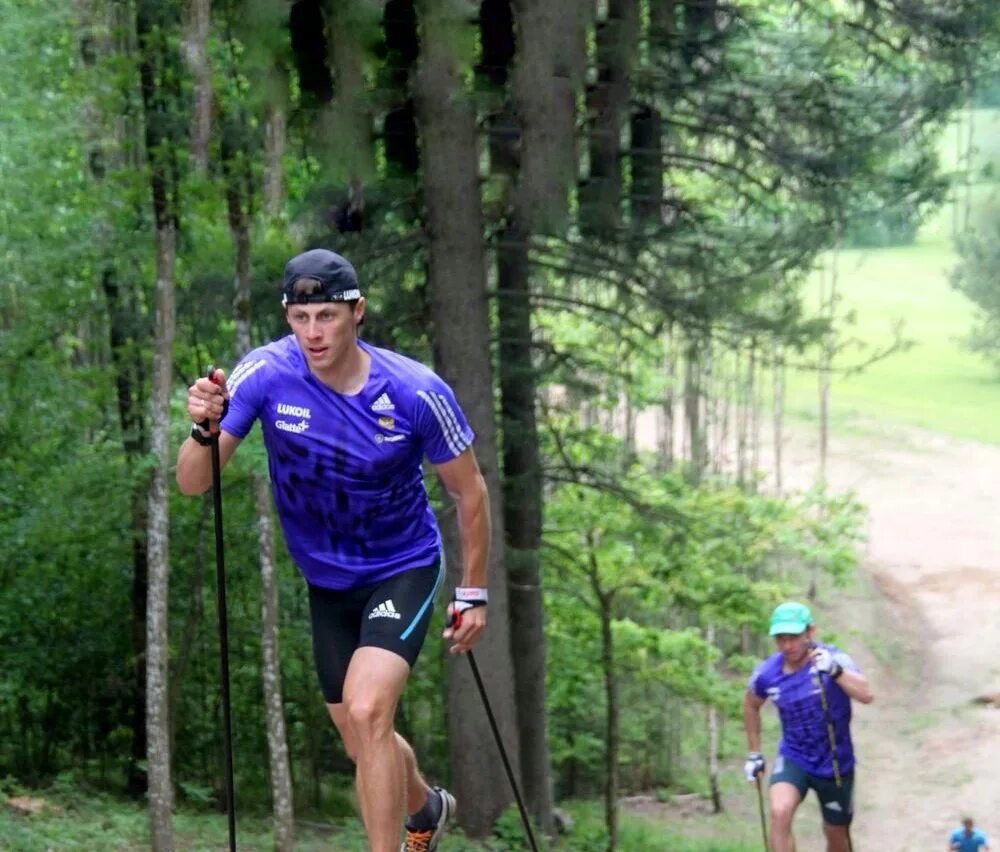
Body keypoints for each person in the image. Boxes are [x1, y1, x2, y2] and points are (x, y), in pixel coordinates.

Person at [176, 248, 491, 852]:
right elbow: (194, 481)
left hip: (403, 566)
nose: (313, 333)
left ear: (357, 312)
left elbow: (469, 492)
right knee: (359, 737)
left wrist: (472, 593)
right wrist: (202, 427)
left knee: (371, 713)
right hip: (328, 583)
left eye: (327, 315)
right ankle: (424, 807)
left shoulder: (415, 393)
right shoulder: (264, 375)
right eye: (301, 317)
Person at [742, 601, 874, 852]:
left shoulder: (834, 659)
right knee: (779, 812)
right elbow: (750, 704)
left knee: (836, 835)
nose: (787, 646)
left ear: (810, 632)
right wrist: (754, 752)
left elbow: (866, 694)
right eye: (780, 639)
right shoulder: (768, 673)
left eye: (794, 637)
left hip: (835, 763)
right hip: (795, 757)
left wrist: (835, 672)